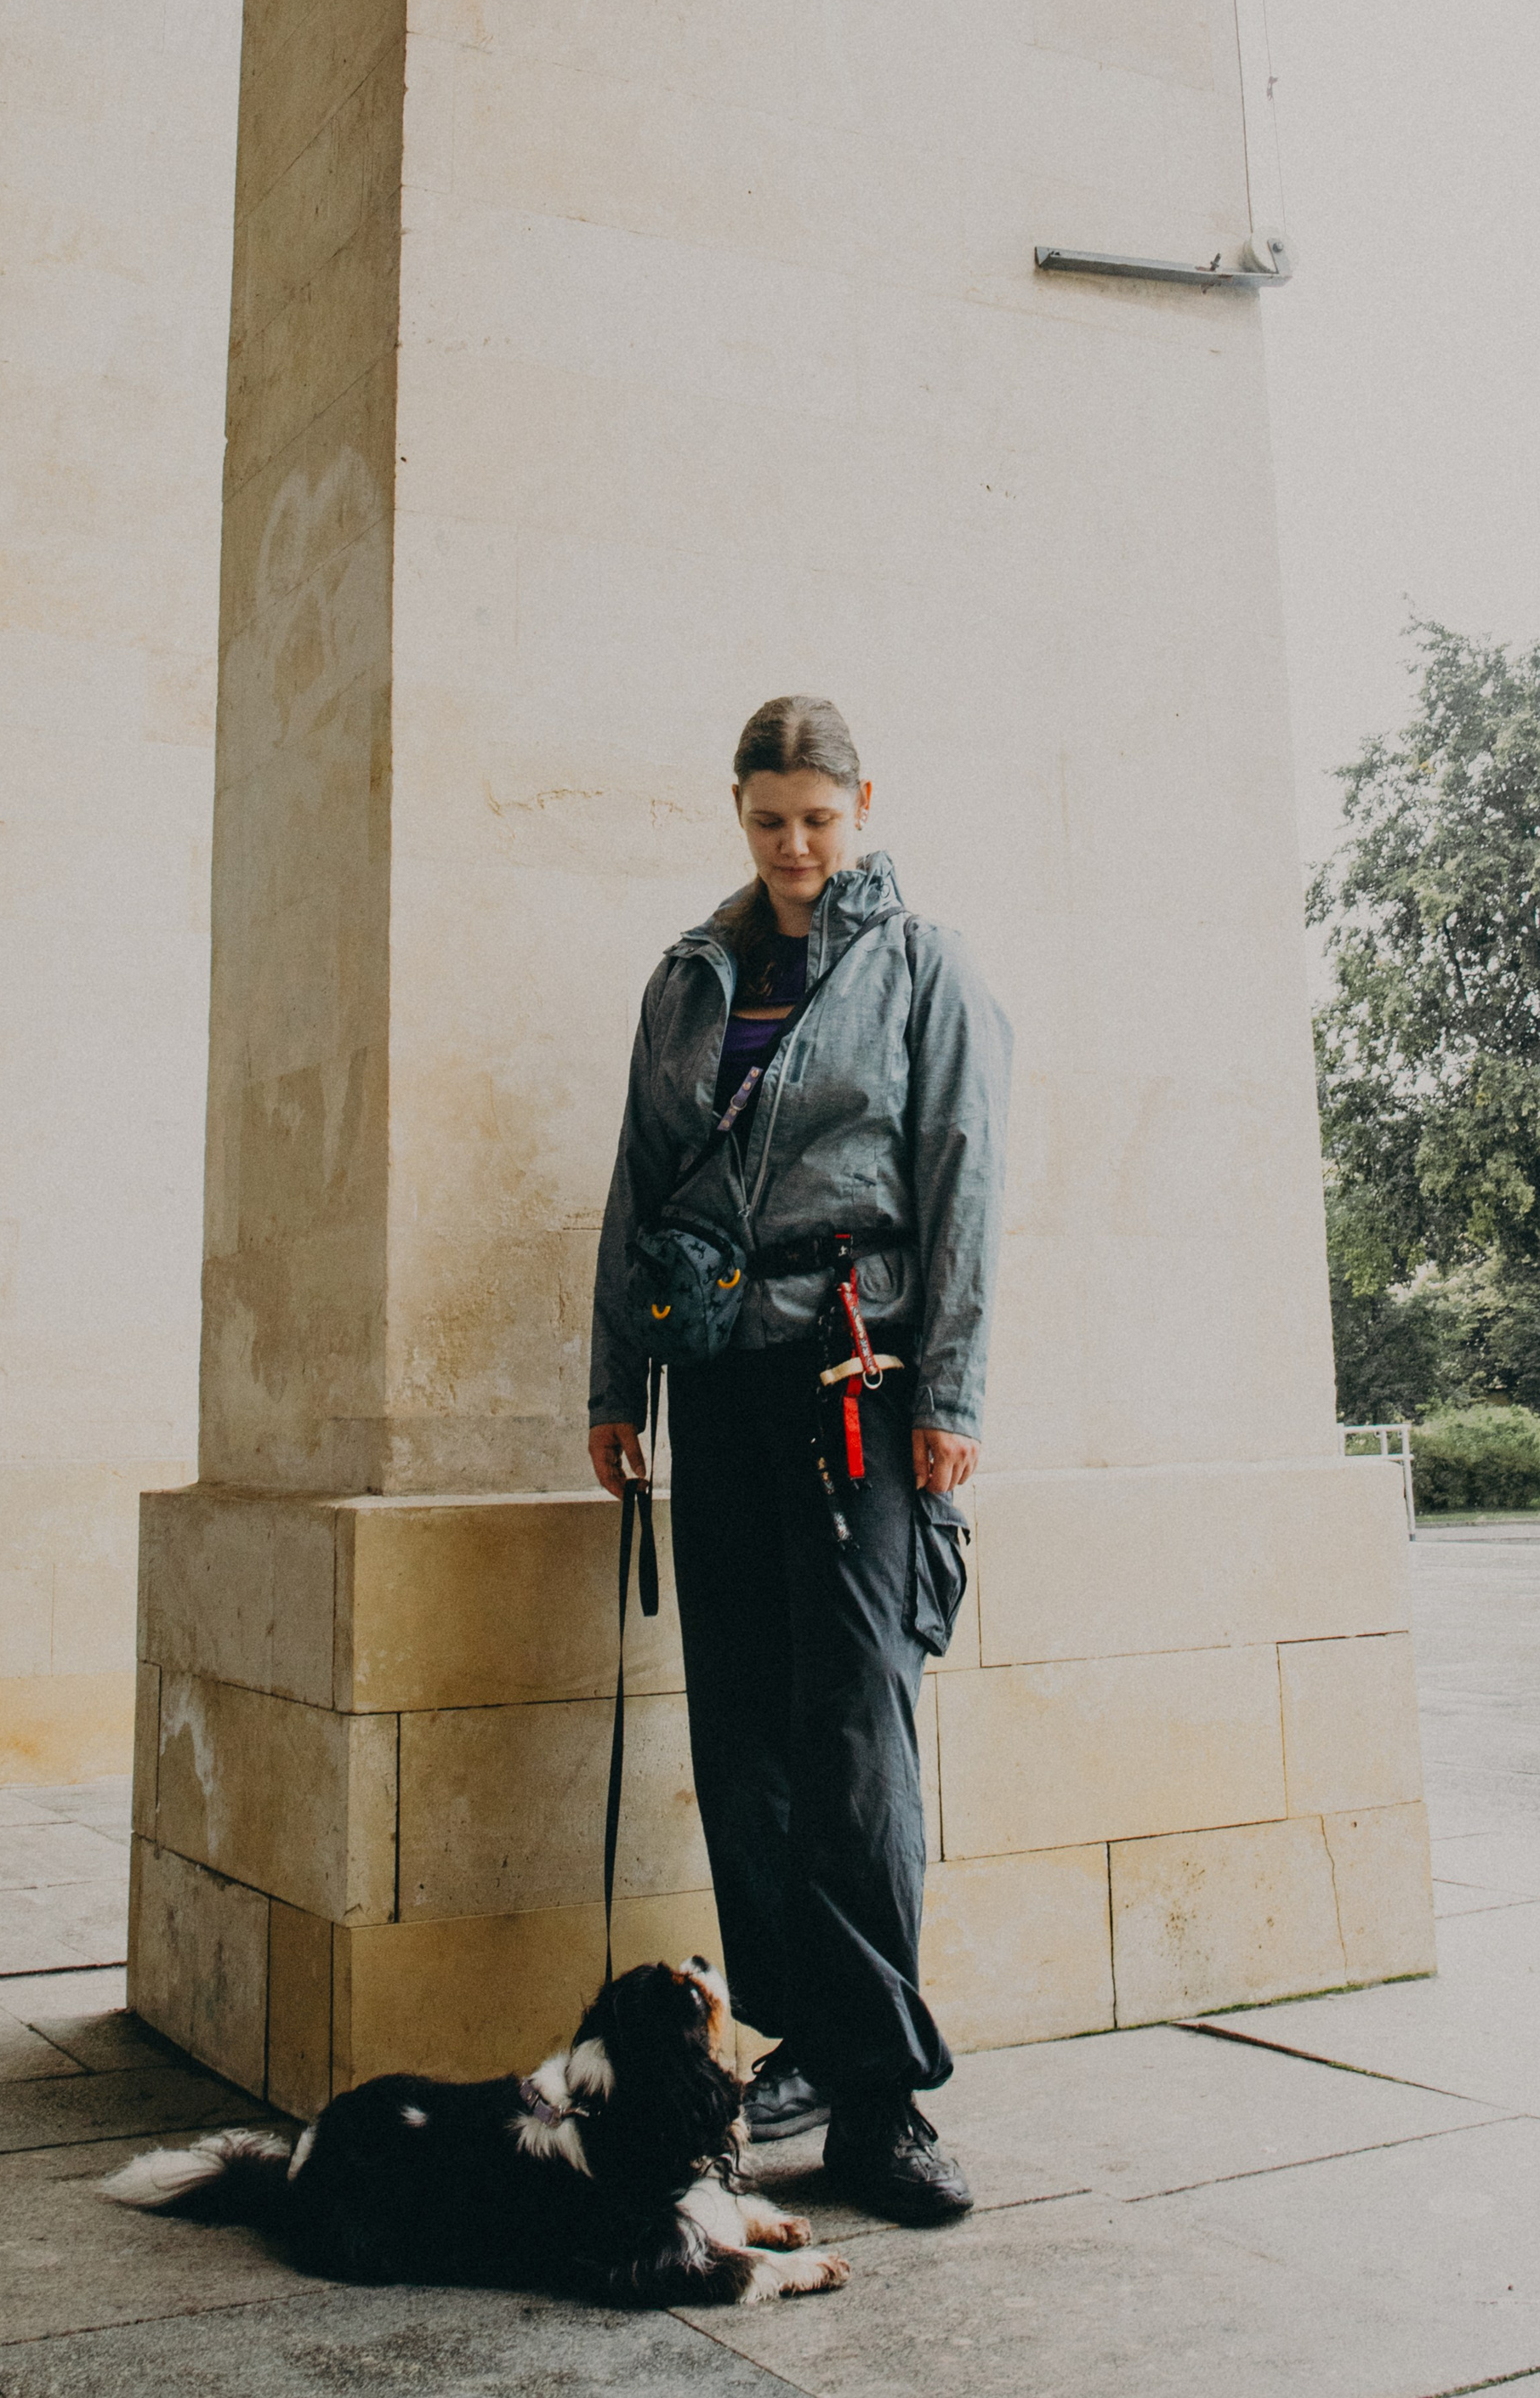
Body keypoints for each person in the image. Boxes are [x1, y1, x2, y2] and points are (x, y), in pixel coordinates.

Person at [588, 696, 1011, 2225]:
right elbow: (639, 1186)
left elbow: (965, 1179)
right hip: (717, 1382)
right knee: (745, 1734)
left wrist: (949, 1392)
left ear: (861, 805)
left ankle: (883, 2098)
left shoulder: (921, 964)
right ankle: (812, 2038)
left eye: (818, 819)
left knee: (852, 1738)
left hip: (859, 1381)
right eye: (769, 818)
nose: (793, 846)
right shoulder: (691, 977)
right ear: (741, 813)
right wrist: (617, 1379)